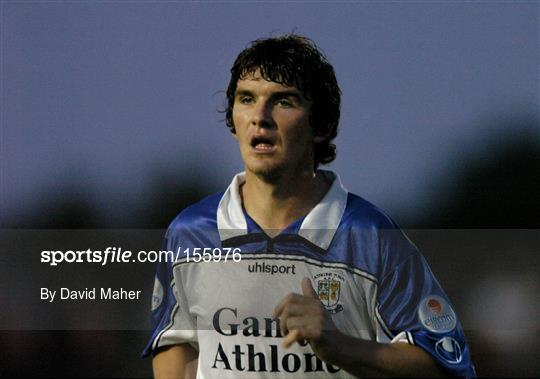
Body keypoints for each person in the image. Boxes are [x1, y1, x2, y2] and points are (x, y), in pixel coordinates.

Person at [142, 34, 476, 378]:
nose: (260, 117)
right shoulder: (190, 232)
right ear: (233, 119)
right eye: (246, 99)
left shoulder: (371, 235)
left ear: (322, 125)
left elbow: (445, 365)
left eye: (283, 101)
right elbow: (174, 342)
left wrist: (338, 346)